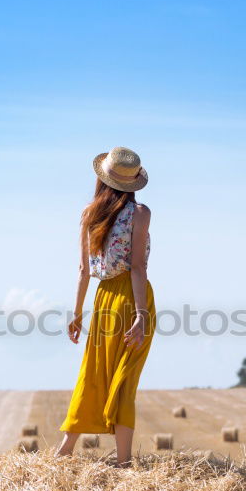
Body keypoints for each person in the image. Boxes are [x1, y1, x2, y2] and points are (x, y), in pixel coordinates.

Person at [57, 147, 155, 466]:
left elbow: (83, 270)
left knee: (94, 371)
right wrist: (140, 315)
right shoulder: (140, 214)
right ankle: (124, 462)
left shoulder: (89, 213)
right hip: (132, 296)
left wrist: (76, 314)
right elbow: (138, 267)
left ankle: (65, 449)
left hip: (103, 299)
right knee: (124, 376)